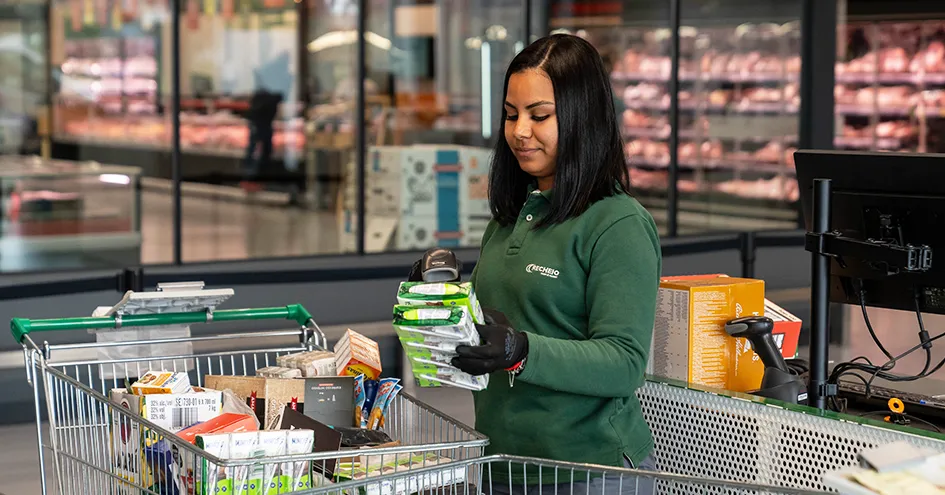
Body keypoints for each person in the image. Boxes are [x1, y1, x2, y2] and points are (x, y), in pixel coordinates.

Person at [411, 34, 662, 494]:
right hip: (503, 464)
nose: (519, 131)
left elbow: (624, 364)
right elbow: (502, 328)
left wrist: (522, 352)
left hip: (589, 472)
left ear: (582, 116)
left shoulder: (618, 224)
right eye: (511, 115)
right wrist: (440, 306)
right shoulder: (511, 217)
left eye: (539, 116)